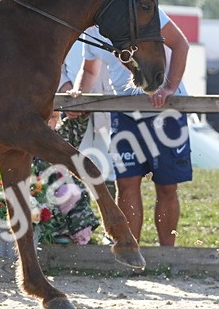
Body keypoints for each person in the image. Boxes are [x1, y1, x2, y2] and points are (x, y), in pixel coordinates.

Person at [76, 13, 191, 245]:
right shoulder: (91, 25)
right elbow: (90, 71)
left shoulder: (145, 10)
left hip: (165, 112)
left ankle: (167, 255)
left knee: (167, 185)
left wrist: (168, 88)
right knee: (126, 184)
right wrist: (77, 93)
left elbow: (181, 45)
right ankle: (129, 251)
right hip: (125, 113)